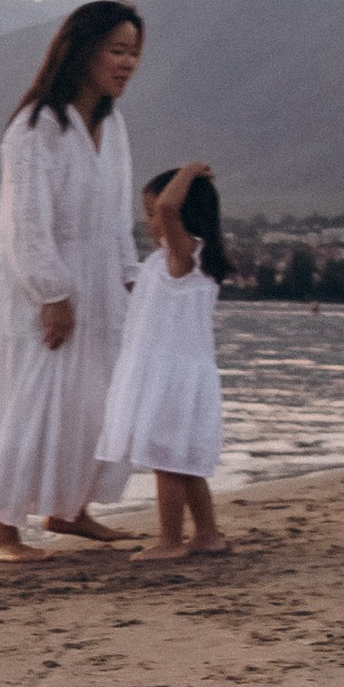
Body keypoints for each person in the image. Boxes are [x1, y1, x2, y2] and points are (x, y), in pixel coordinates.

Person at [0, 0, 146, 562]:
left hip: (100, 277)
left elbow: (116, 214)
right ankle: (3, 531)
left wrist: (130, 277)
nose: (128, 63)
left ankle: (70, 509)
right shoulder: (36, 127)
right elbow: (24, 223)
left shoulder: (111, 125)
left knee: (91, 399)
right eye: (117, 50)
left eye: (134, 52)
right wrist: (51, 293)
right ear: (81, 50)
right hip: (40, 281)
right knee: (32, 396)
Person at [99, 161, 231, 561]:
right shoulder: (163, 261)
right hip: (177, 371)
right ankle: (207, 534)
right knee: (184, 461)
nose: (151, 222)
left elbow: (172, 209)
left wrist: (188, 172)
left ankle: (170, 541)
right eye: (147, 214)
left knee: (166, 461)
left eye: (153, 213)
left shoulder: (185, 254)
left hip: (170, 375)